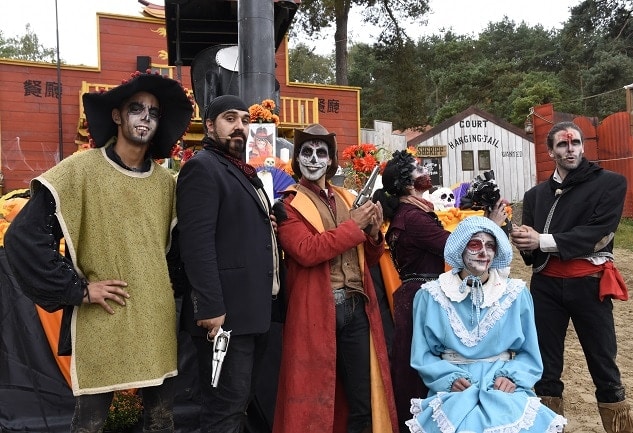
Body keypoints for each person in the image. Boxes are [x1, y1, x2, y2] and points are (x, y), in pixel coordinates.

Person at [4, 71, 193, 433]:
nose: (145, 117)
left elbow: (179, 253)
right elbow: (24, 238)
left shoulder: (166, 184)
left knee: (160, 420)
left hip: (156, 319)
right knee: (90, 424)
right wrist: (79, 290)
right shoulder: (81, 169)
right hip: (102, 316)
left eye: (153, 112)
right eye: (136, 109)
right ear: (118, 116)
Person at [511, 121, 633, 433]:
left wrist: (541, 240)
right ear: (551, 151)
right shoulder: (535, 195)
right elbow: (531, 257)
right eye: (562, 145)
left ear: (583, 146)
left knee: (603, 364)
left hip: (589, 284)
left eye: (575, 143)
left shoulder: (610, 183)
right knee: (545, 367)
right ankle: (546, 427)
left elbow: (597, 233)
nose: (570, 149)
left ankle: (621, 428)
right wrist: (519, 237)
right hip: (545, 287)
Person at [272, 124, 398, 433]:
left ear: (330, 161)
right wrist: (355, 226)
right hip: (316, 311)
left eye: (321, 153)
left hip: (356, 309)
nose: (313, 159)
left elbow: (366, 260)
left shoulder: (345, 198)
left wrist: (371, 235)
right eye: (306, 152)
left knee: (363, 400)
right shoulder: (286, 205)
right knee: (313, 401)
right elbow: (307, 251)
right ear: (297, 159)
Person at [373, 150, 510, 431]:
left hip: (419, 295)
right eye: (417, 167)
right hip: (421, 300)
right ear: (406, 182)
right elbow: (456, 247)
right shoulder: (412, 217)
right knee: (420, 369)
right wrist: (492, 225)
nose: (424, 169)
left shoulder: (411, 213)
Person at [175, 95, 280, 433]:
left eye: (245, 120)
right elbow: (196, 243)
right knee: (224, 409)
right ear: (209, 125)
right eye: (229, 119)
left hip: (253, 312)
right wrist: (210, 307)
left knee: (238, 405)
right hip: (224, 317)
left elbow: (233, 227)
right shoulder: (202, 167)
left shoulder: (241, 170)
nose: (240, 126)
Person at [406, 216, 567, 432]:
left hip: (502, 385)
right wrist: (447, 379)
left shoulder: (516, 294)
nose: (484, 252)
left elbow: (530, 353)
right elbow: (422, 354)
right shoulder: (432, 296)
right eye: (475, 244)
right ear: (460, 249)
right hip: (455, 387)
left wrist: (512, 377)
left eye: (490, 246)